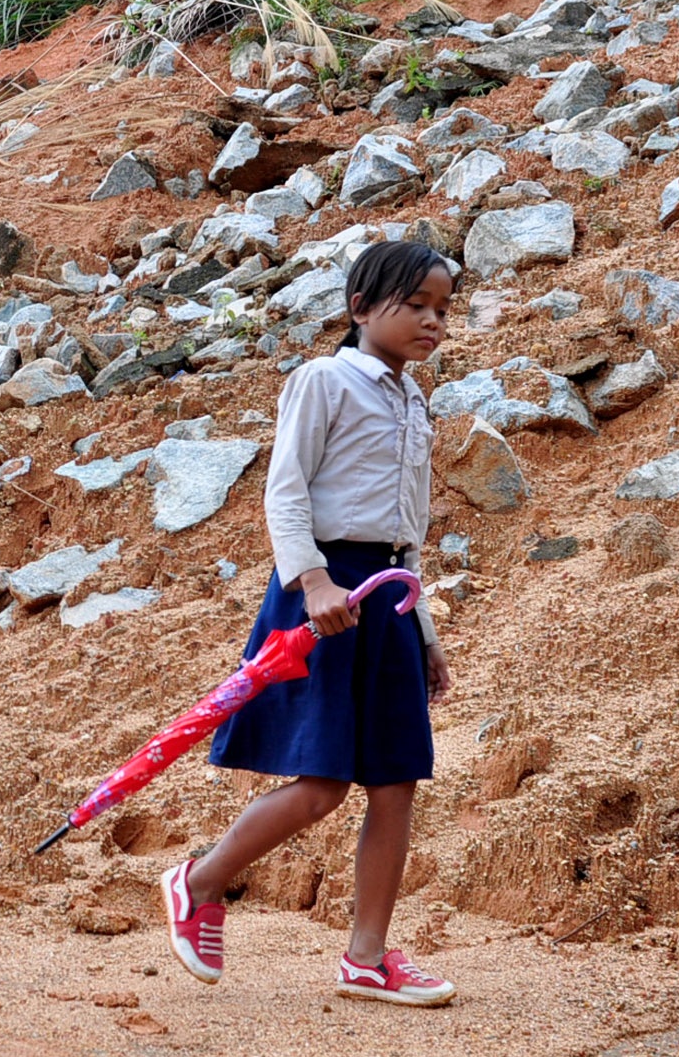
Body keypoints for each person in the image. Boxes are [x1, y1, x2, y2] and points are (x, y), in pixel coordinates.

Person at [160, 241, 458, 1005]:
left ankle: (367, 958)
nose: (432, 320)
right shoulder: (324, 379)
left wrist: (424, 631)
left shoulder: (414, 401)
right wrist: (315, 579)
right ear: (360, 307)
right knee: (323, 782)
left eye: (442, 309)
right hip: (324, 596)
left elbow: (409, 534)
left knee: (396, 780)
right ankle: (200, 881)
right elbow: (285, 491)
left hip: (389, 600)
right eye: (415, 305)